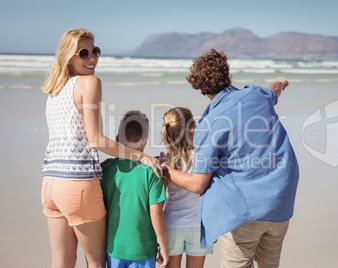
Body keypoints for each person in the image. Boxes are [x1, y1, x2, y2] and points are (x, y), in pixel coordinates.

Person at [163, 49, 299, 268]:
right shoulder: (256, 94)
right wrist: (281, 82)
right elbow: (274, 88)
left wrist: (166, 170)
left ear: (199, 87)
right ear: (227, 74)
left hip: (246, 210)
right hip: (282, 199)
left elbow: (198, 184)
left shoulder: (209, 124)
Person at [40, 28, 161, 268]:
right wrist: (142, 156)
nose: (92, 58)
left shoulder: (54, 90)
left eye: (95, 51)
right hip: (77, 186)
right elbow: (95, 140)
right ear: (68, 56)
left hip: (50, 184)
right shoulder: (89, 83)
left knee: (61, 261)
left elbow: (72, 139)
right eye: (83, 53)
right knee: (96, 263)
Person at [101, 110, 168, 268]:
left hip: (114, 248)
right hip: (143, 250)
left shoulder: (107, 170)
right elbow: (156, 212)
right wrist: (163, 247)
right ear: (145, 141)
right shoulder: (152, 172)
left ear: (117, 140)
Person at [161, 107, 213, 268]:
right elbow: (213, 194)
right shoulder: (204, 157)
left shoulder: (166, 160)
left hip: (171, 224)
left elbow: (160, 199)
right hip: (199, 226)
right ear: (193, 128)